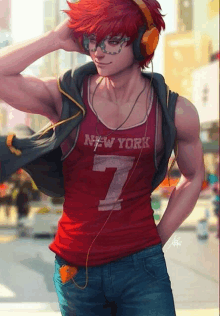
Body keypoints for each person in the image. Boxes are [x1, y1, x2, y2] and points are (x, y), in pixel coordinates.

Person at [0, 0, 205, 315]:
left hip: (141, 265)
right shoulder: (67, 96)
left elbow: (193, 176)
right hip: (75, 267)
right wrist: (54, 39)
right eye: (92, 39)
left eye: (113, 40)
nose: (98, 51)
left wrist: (157, 237)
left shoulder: (175, 111)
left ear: (143, 42)